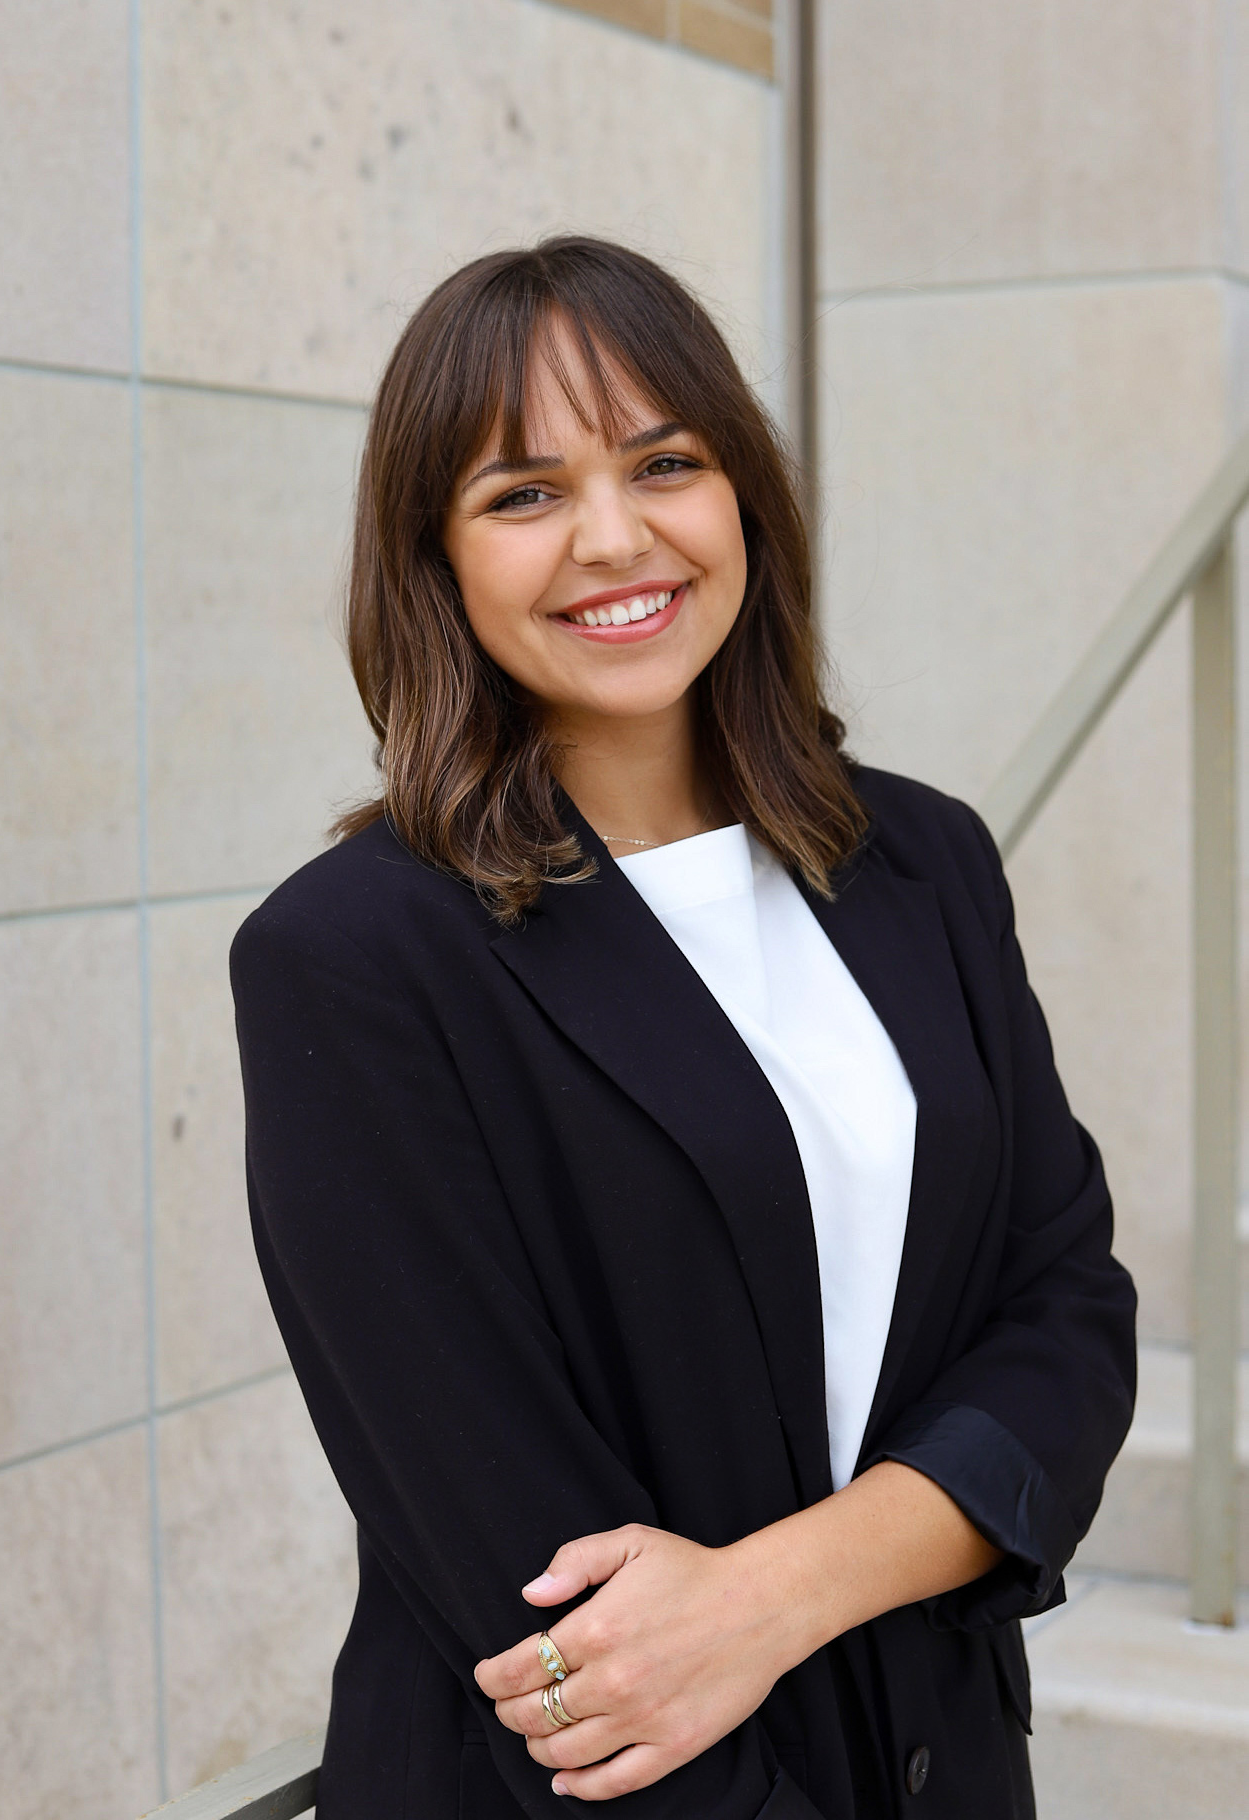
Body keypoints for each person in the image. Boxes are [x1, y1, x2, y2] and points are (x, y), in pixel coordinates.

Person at [230, 236, 1137, 1820]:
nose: (612, 537)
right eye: (521, 495)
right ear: (432, 560)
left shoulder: (919, 860)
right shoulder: (356, 958)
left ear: (744, 502)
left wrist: (777, 1590)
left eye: (666, 463)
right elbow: (517, 1557)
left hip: (938, 1756)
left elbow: (1065, 1319)